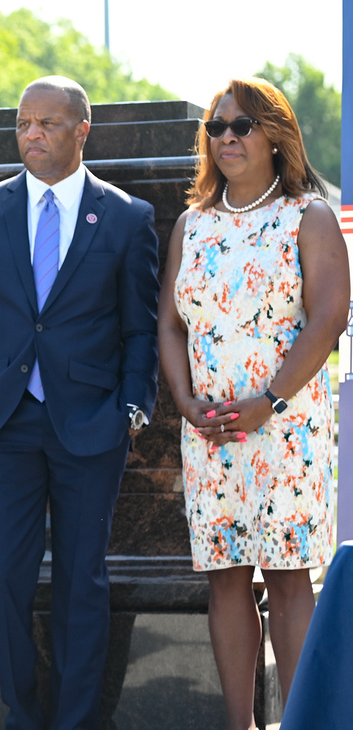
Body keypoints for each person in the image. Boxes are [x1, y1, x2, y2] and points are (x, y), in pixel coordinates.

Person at [0, 76, 160, 729]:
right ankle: (23, 714)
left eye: (48, 124)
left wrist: (131, 410)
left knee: (81, 582)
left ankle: (74, 720)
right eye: (24, 123)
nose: (32, 135)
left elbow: (140, 327)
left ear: (82, 129)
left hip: (91, 424)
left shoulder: (125, 217)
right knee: (3, 578)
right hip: (3, 422)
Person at [156, 78, 348, 728]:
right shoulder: (193, 223)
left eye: (240, 125)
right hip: (210, 432)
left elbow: (329, 317)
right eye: (216, 128)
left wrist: (268, 398)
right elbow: (170, 324)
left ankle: (300, 722)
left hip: (285, 427)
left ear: (274, 135)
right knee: (226, 578)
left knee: (290, 578)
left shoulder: (308, 216)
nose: (226, 137)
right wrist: (184, 399)